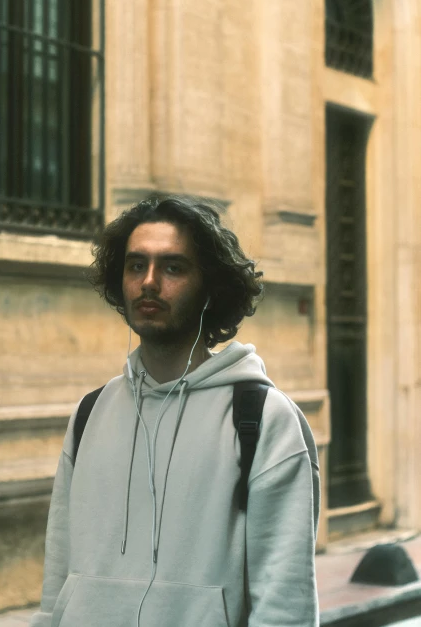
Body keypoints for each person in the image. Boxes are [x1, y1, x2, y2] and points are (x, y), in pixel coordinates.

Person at [30, 195, 320, 627]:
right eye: (135, 265)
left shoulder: (262, 419)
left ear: (209, 287)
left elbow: (284, 606)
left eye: (172, 267)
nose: (149, 282)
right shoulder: (91, 413)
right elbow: (57, 584)